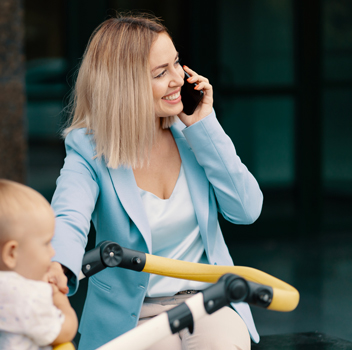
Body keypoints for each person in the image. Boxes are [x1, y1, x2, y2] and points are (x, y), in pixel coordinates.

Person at [45, 13, 263, 350]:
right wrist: (59, 265)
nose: (178, 78)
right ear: (124, 85)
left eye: (177, 63)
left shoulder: (193, 133)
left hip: (207, 304)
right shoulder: (89, 148)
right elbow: (68, 216)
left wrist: (205, 125)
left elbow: (246, 210)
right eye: (161, 73)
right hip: (132, 317)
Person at [0, 179, 78, 349]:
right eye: (46, 243)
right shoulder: (29, 299)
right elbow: (66, 331)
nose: (53, 252)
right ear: (11, 253)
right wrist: (58, 297)